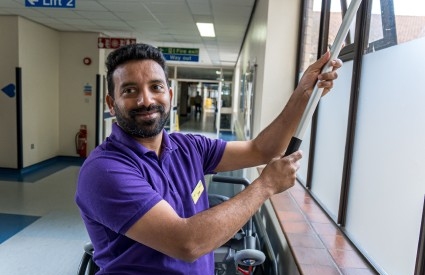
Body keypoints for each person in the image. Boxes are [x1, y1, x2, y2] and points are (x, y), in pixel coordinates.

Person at [75, 43, 341, 275]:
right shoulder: (105, 171)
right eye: (130, 90)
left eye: (155, 87)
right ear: (112, 103)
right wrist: (265, 186)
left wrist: (304, 95)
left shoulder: (188, 147)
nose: (146, 100)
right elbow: (186, 243)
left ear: (169, 95)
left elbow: (260, 150)